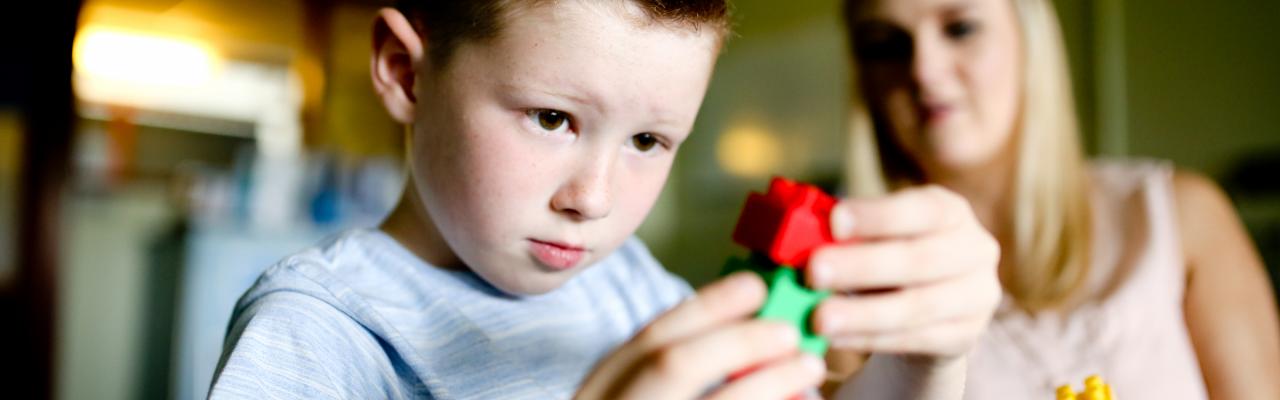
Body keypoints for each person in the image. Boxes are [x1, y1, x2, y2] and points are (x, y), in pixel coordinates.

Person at [210, 1, 1002, 399]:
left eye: (649, 142)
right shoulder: (321, 333)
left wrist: (924, 363)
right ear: (407, 72)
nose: (594, 200)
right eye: (553, 119)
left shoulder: (630, 286)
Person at [837, 0, 1280, 398]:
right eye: (884, 44)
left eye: (961, 28)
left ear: (1030, 36)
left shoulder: (1180, 216)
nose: (923, 70)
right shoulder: (843, 287)